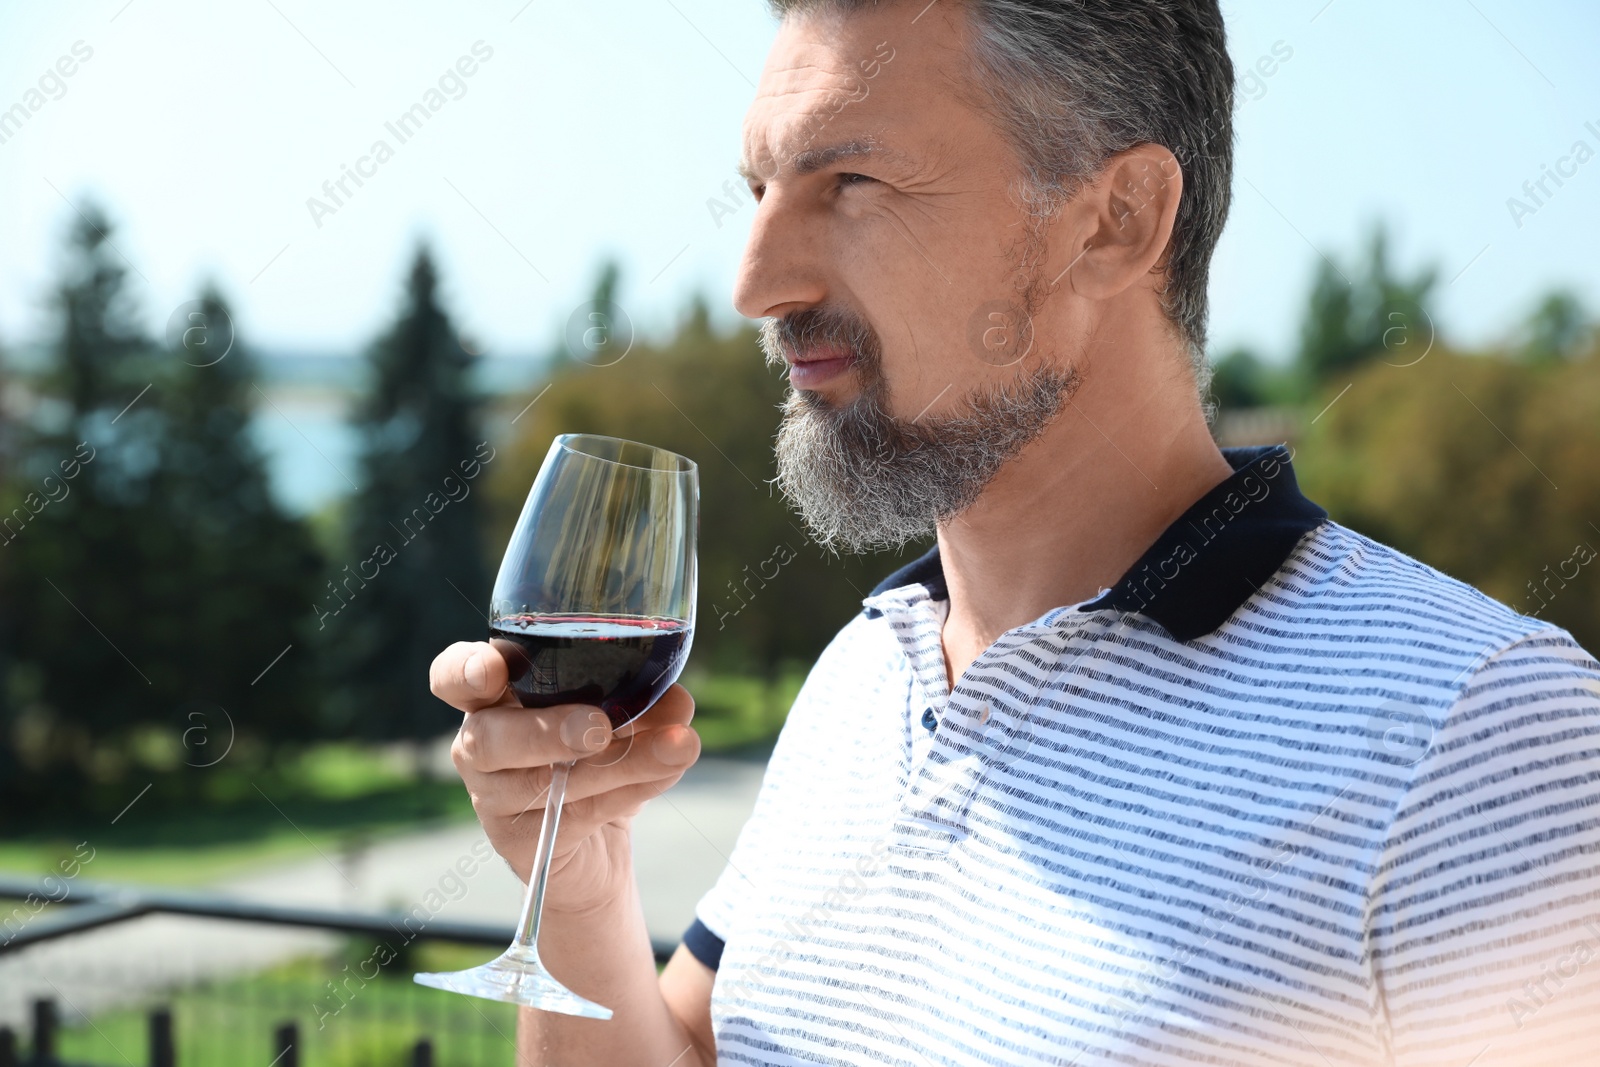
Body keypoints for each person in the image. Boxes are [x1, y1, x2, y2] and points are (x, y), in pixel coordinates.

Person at [431, 1, 1600, 1063]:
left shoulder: (1484, 737)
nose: (756, 282)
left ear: (1115, 221)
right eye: (759, 189)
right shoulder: (863, 673)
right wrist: (580, 889)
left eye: (851, 181)